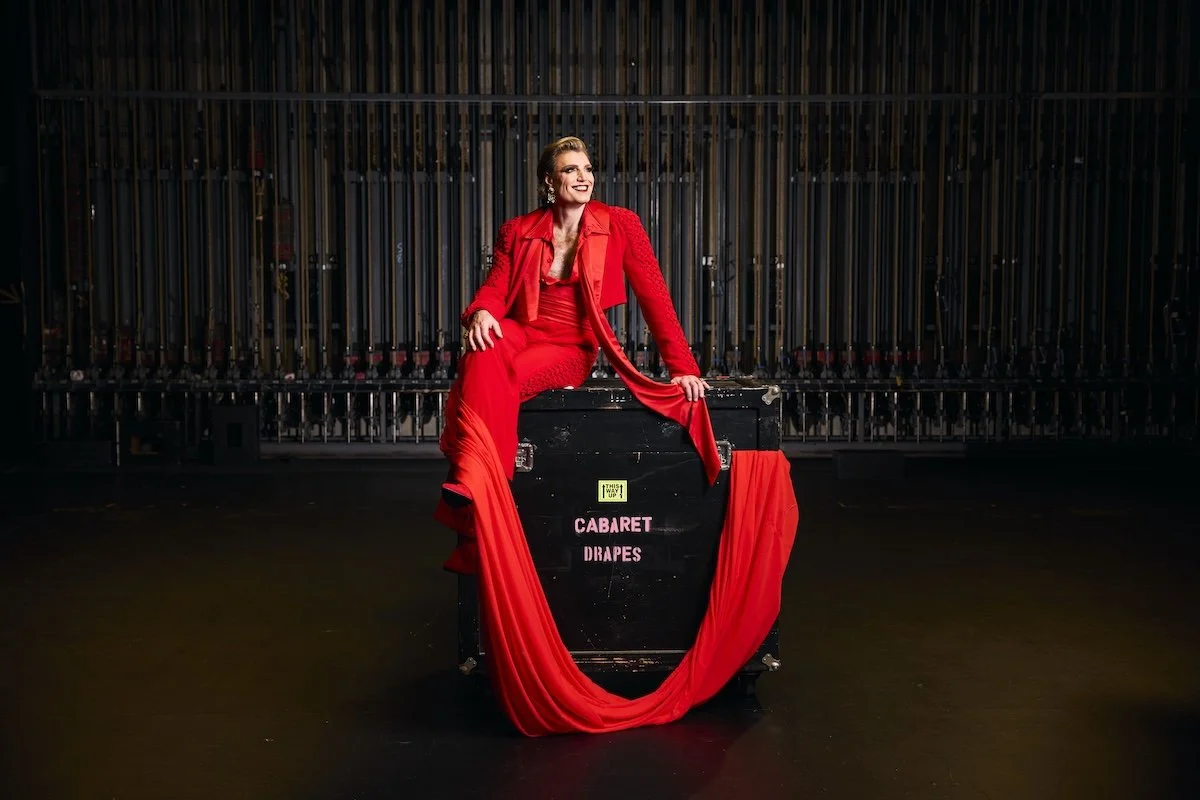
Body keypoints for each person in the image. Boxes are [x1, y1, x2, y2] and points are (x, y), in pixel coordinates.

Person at [435, 136, 720, 573]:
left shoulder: (620, 224)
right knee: (483, 346)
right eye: (571, 169)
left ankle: (475, 487)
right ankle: (478, 481)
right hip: (522, 329)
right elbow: (496, 284)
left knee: (493, 376)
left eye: (587, 169)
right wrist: (482, 312)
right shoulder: (517, 229)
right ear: (549, 181)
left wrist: (682, 367)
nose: (583, 177)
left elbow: (655, 297)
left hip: (570, 345)